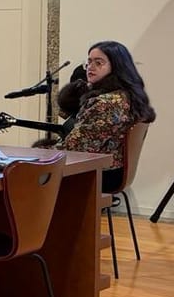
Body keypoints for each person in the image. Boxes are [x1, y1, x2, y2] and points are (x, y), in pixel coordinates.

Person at [62, 42, 155, 192]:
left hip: (99, 173)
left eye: (99, 63)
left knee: (30, 172)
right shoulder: (125, 95)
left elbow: (75, 149)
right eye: (89, 62)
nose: (91, 67)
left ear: (116, 67)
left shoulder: (105, 103)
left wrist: (40, 152)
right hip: (113, 171)